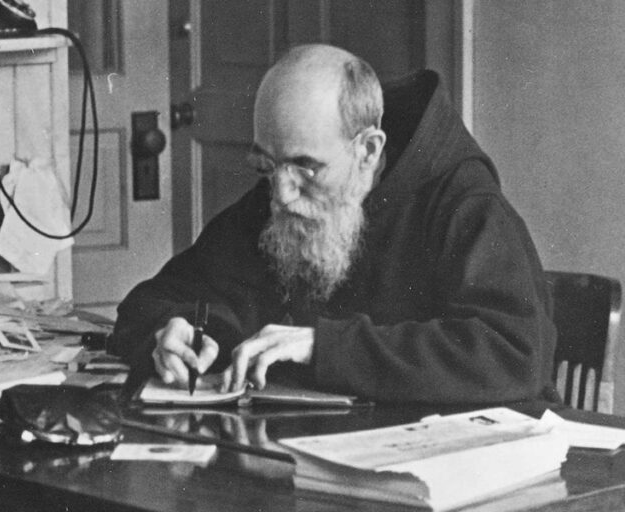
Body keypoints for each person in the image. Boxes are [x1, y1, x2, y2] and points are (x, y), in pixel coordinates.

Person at [110, 44, 557, 404]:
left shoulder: (463, 204)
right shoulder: (278, 199)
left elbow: (515, 353)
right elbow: (150, 301)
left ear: (368, 149)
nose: (282, 195)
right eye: (267, 165)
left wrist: (322, 347)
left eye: (307, 168)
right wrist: (175, 329)